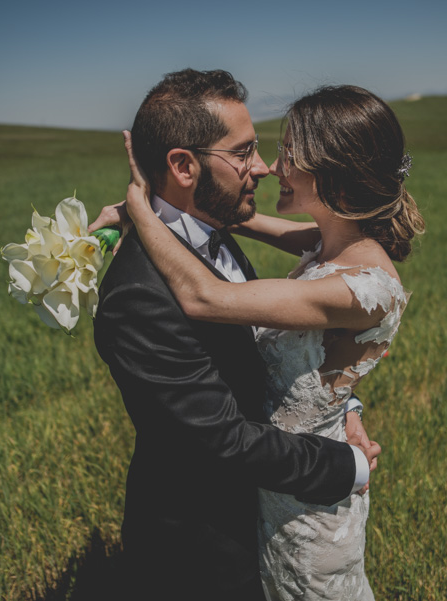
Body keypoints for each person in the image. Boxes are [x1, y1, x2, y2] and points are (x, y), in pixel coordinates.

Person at [113, 84, 424, 601]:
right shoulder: (327, 242)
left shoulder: (361, 283)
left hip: (307, 500)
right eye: (248, 153)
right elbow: (248, 221)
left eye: (289, 155)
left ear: (332, 172)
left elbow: (204, 297)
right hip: (259, 493)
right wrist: (167, 202)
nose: (270, 167)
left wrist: (141, 208)